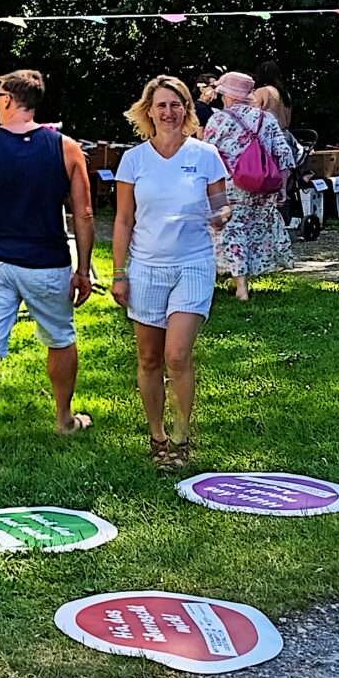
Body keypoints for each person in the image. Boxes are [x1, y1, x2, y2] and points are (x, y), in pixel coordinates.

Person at [0, 69, 97, 454]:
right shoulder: (66, 148)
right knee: (60, 337)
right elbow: (83, 214)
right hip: (47, 260)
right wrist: (83, 269)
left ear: (7, 100)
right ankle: (64, 419)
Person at [109, 75, 231, 468]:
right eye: (161, 105)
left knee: (177, 355)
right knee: (149, 359)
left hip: (193, 264)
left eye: (176, 104)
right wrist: (119, 271)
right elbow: (124, 219)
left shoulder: (206, 154)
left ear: (187, 110)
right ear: (149, 111)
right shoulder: (134, 160)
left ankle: (181, 436)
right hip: (145, 267)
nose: (169, 112)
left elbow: (222, 204)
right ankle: (157, 437)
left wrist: (220, 215)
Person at [202, 71, 298, 301]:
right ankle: (241, 277)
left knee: (232, 229)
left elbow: (206, 154)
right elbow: (284, 154)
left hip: (231, 185)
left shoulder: (219, 120)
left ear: (228, 95)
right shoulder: (267, 118)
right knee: (253, 228)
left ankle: (240, 287)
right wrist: (282, 186)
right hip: (262, 185)